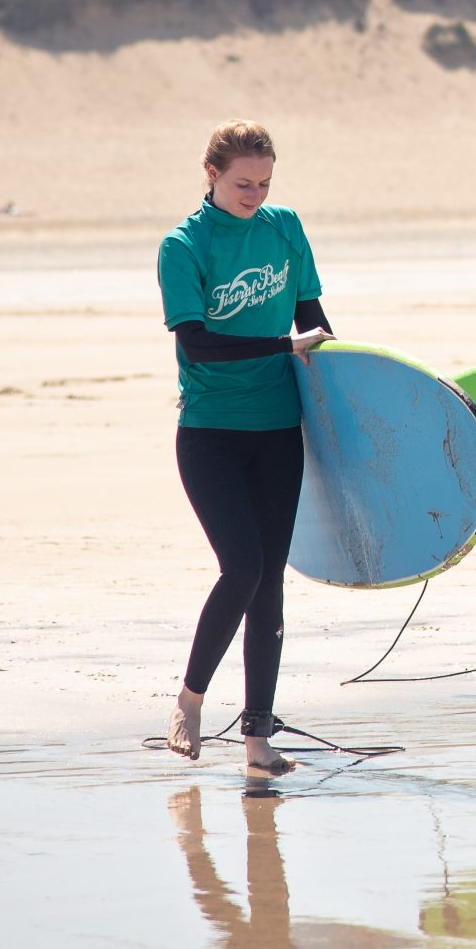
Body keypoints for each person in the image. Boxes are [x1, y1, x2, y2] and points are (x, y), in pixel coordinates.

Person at [159, 120, 334, 779]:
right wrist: (284, 348)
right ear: (211, 173)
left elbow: (313, 319)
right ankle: (190, 698)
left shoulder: (284, 226)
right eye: (241, 183)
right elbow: (197, 342)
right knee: (243, 566)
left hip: (277, 430)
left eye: (264, 182)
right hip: (210, 431)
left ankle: (258, 738)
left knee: (269, 585)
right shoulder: (184, 245)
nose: (254, 194)